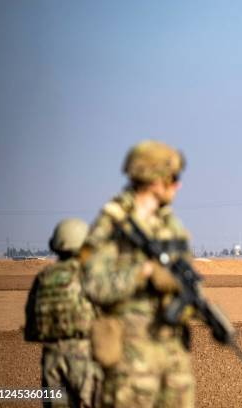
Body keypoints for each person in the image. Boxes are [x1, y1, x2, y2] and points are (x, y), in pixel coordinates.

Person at [81, 140, 195, 407]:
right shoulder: (112, 223)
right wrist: (142, 272)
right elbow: (93, 285)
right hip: (131, 361)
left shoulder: (171, 225)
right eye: (173, 178)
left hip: (172, 357)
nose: (178, 185)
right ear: (154, 179)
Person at [24, 218, 102, 408]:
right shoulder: (89, 276)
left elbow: (32, 324)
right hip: (84, 356)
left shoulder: (43, 278)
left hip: (51, 358)